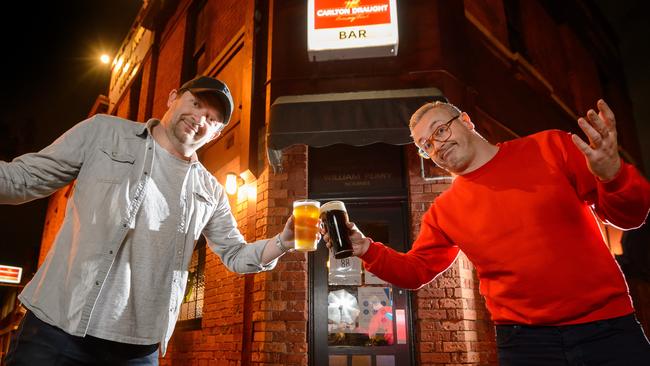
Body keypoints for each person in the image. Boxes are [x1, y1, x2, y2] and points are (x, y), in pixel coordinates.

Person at [0, 76, 301, 365]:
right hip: (56, 330)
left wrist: (283, 242)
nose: (199, 119)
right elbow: (22, 179)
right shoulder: (104, 132)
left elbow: (235, 254)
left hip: (136, 351)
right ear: (173, 98)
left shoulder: (211, 191)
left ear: (217, 133)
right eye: (196, 103)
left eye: (211, 118)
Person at [323, 99, 650, 365]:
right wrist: (365, 247)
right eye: (426, 146)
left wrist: (613, 175)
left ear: (465, 120)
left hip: (607, 328)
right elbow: (416, 271)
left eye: (439, 131)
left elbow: (630, 217)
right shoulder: (444, 211)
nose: (436, 146)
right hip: (525, 344)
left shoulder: (551, 146)